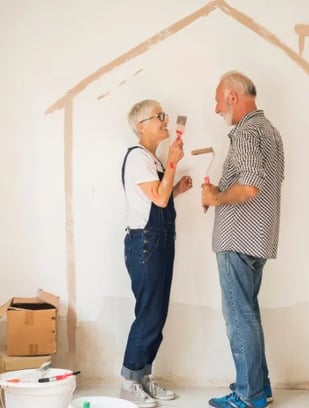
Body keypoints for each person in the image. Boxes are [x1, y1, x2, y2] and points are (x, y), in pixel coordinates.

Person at [201, 71, 285, 408]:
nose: (216, 108)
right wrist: (218, 192)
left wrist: (216, 198)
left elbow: (250, 186)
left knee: (239, 317)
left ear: (233, 97)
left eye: (218, 101)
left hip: (237, 239)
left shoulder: (247, 132)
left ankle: (248, 397)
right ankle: (259, 389)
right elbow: (261, 182)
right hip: (259, 237)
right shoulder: (271, 132)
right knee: (248, 314)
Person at [120, 99, 193, 407]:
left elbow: (157, 198)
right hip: (146, 243)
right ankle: (129, 381)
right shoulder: (138, 158)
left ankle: (144, 375)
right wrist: (174, 162)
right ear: (141, 126)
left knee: (157, 313)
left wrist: (175, 189)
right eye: (158, 116)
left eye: (164, 116)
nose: (165, 120)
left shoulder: (152, 159)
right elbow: (159, 203)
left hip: (159, 241)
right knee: (148, 314)